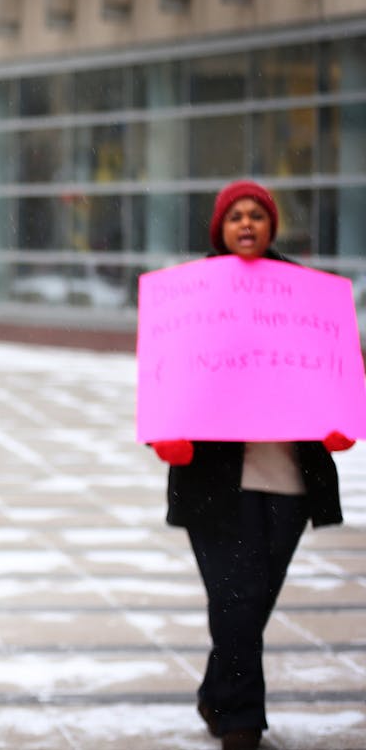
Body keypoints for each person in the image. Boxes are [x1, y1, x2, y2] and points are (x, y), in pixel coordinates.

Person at [147, 180, 354, 750]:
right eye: (235, 215)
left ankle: (218, 691)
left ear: (271, 227)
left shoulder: (307, 296)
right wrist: (166, 432)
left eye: (256, 215)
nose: (245, 224)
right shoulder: (192, 294)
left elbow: (335, 368)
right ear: (219, 227)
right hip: (213, 480)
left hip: (289, 479)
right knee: (236, 600)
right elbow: (169, 373)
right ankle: (242, 721)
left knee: (253, 601)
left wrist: (341, 412)